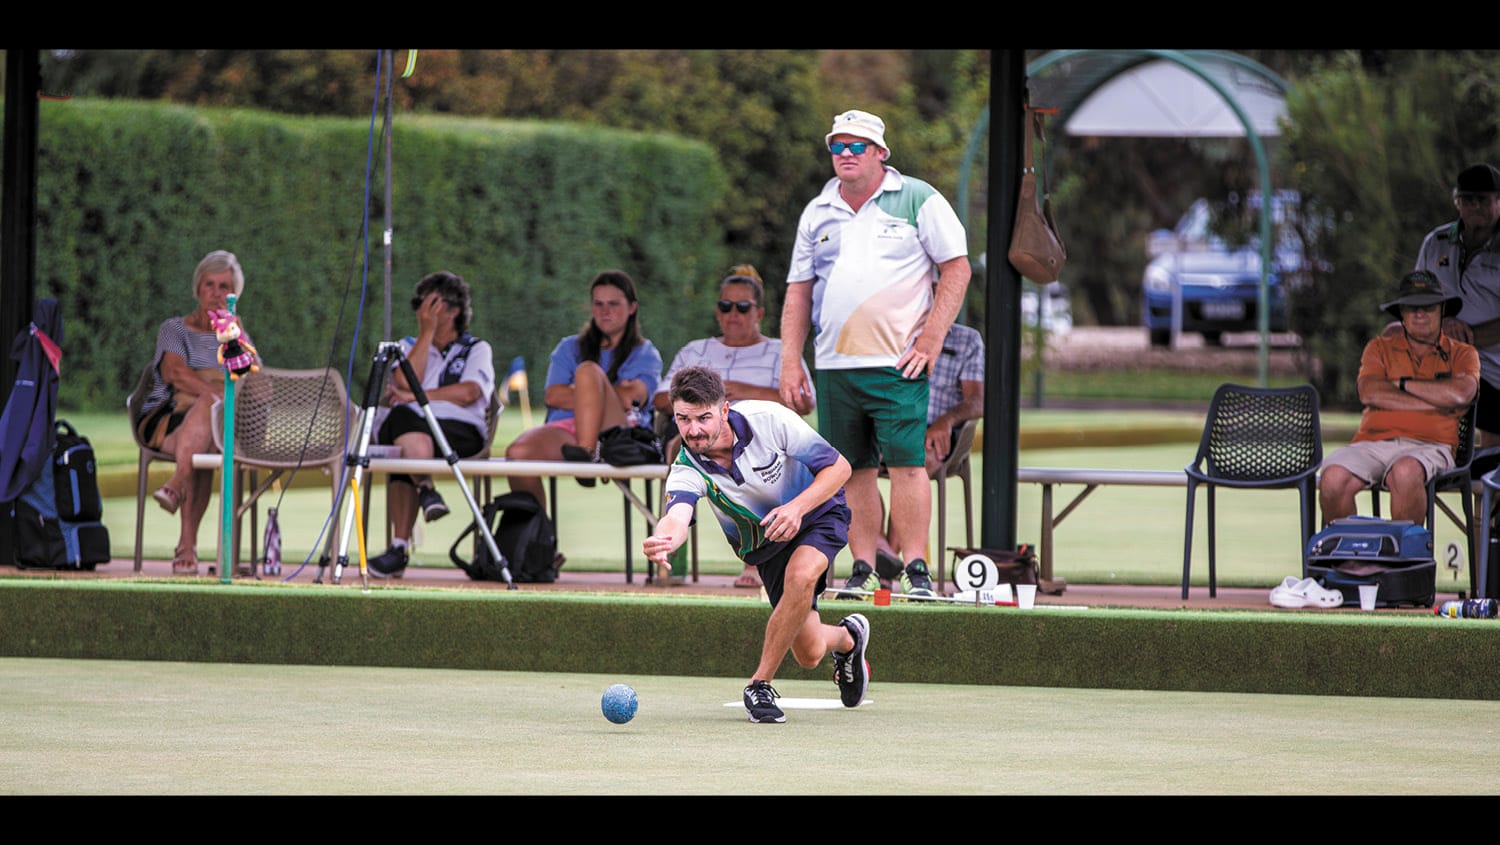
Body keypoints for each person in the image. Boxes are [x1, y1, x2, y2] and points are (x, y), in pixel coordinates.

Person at [779, 108, 972, 600]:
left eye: (856, 146)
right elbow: (799, 291)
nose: (844, 154)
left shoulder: (917, 198)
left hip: (897, 362)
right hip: (835, 365)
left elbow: (957, 269)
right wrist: (788, 359)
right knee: (851, 468)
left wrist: (930, 340)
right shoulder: (817, 209)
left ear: (880, 153)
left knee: (907, 464)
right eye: (837, 146)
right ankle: (864, 566)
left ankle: (916, 568)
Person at [643, 366, 867, 724]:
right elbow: (678, 514)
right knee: (809, 653)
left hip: (817, 510)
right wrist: (665, 538)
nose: (694, 430)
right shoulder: (687, 466)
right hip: (768, 545)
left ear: (724, 410)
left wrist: (796, 508)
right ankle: (848, 639)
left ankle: (759, 683)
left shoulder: (771, 419)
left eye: (703, 417)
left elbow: (839, 468)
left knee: (803, 573)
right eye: (683, 419)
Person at [653, 263, 815, 589]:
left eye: (743, 307)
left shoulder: (779, 352)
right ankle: (672, 555)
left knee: (753, 455)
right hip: (701, 437)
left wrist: (743, 390)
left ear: (759, 312)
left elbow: (804, 403)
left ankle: (760, 557)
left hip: (766, 439)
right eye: (726, 306)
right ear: (717, 311)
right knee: (690, 449)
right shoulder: (696, 350)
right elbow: (659, 397)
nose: (733, 314)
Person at [135, 250, 261, 576]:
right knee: (208, 411)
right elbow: (175, 373)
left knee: (208, 421)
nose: (216, 294)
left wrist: (216, 384)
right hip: (169, 421)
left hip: (218, 428)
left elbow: (258, 386)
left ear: (235, 296)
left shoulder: (237, 337)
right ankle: (186, 542)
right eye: (210, 285)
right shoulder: (175, 329)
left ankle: (179, 503)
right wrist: (218, 390)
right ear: (197, 288)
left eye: (225, 287)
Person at [1319, 271, 1479, 524]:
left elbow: (1461, 394)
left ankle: (1405, 561)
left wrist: (1401, 384)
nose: (1420, 314)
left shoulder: (1463, 353)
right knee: (1332, 478)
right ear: (1402, 313)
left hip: (1431, 445)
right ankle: (1350, 560)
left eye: (1428, 306)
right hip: (1371, 443)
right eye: (1412, 307)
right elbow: (1369, 392)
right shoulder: (1378, 348)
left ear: (1441, 309)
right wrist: (1436, 402)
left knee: (1405, 472)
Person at [368, 271, 496, 578]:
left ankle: (400, 544)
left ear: (452, 310)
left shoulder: (477, 348)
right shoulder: (407, 345)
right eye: (418, 304)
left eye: (429, 305)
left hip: (459, 431)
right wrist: (426, 333)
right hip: (413, 430)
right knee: (404, 428)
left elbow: (469, 392)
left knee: (407, 425)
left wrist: (416, 395)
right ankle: (423, 495)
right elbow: (400, 380)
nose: (420, 312)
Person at [843, 320, 985, 594]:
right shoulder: (890, 329)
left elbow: (978, 400)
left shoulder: (968, 340)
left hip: (938, 434)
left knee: (917, 458)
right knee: (847, 459)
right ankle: (883, 551)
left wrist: (946, 421)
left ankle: (886, 565)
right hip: (889, 426)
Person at [505, 270, 662, 511]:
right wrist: (604, 393)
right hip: (568, 428)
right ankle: (540, 541)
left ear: (632, 307)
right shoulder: (569, 347)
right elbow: (553, 395)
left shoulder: (645, 352)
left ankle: (586, 451)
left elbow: (632, 399)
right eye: (598, 304)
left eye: (613, 304)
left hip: (617, 431)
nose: (604, 311)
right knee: (517, 453)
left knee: (587, 371)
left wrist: (584, 389)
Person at [1415, 163, 1500, 448]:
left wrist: (1469, 337)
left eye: (1484, 199)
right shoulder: (1436, 242)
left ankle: (1487, 490)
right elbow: (1417, 300)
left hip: (1493, 367)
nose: (1475, 206)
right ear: (1457, 202)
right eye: (1468, 199)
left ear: (1498, 200)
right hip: (1443, 358)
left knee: (1492, 448)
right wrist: (1444, 325)